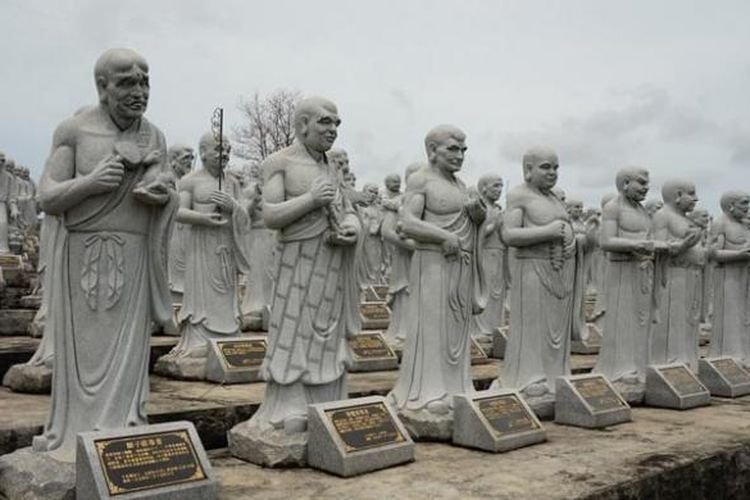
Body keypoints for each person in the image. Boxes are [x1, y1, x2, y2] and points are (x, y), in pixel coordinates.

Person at [33, 48, 176, 461]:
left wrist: (163, 189)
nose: (139, 91)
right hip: (83, 254)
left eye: (145, 81)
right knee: (85, 352)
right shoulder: (74, 132)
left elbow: (163, 182)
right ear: (102, 86)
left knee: (130, 358)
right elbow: (47, 196)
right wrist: (93, 182)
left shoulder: (154, 136)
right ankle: (77, 431)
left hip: (133, 257)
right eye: (127, 82)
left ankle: (124, 431)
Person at [229, 97, 360, 466]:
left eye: (336, 123)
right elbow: (271, 215)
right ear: (302, 125)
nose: (332, 130)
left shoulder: (332, 166)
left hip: (331, 263)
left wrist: (351, 227)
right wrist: (310, 199)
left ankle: (327, 400)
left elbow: (347, 211)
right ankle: (290, 404)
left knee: (325, 333)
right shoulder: (279, 163)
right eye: (324, 123)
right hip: (296, 264)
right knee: (294, 331)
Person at [387, 125, 486, 439]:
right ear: (432, 150)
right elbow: (406, 223)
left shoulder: (461, 185)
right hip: (432, 265)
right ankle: (425, 394)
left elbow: (474, 228)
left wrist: (478, 217)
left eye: (463, 150)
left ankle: (455, 387)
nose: (459, 156)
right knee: (432, 328)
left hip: (460, 268)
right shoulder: (421, 180)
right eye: (452, 149)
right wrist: (443, 235)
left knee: (455, 331)